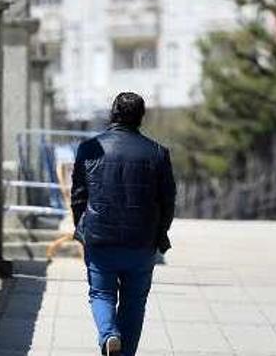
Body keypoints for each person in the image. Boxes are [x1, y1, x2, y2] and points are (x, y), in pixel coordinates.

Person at [71, 92, 177, 356]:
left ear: (112, 113)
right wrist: (160, 232)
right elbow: (168, 200)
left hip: (100, 239)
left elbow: (78, 196)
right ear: (141, 117)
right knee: (134, 302)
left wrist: (82, 228)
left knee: (101, 294)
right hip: (141, 242)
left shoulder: (89, 149)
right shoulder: (158, 153)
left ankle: (109, 334)